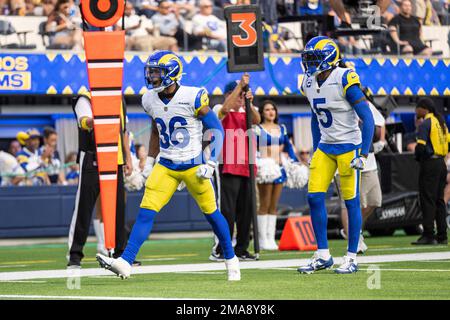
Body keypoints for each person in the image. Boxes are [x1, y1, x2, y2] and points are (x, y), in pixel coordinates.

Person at [96, 51, 241, 281]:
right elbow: (155, 130)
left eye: (157, 72)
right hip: (166, 164)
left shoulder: (193, 96)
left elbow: (216, 129)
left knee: (212, 214)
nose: (152, 76)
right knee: (145, 212)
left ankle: (231, 260)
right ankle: (126, 262)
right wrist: (151, 161)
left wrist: (211, 161)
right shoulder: (149, 99)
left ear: (172, 72)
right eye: (151, 71)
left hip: (194, 164)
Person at [297, 36, 374, 274]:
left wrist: (363, 153)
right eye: (308, 58)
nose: (310, 63)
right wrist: (314, 146)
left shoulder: (344, 78)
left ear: (330, 57)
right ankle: (322, 255)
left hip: (349, 147)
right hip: (326, 148)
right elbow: (314, 116)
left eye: (315, 58)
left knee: (351, 202)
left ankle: (351, 257)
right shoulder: (308, 82)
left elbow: (367, 117)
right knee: (314, 198)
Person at [67, 92, 133, 269]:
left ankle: (120, 255)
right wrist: (101, 118)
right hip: (92, 158)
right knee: (84, 208)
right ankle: (74, 256)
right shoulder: (85, 98)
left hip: (115, 160)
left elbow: (124, 130)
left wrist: (128, 158)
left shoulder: (119, 98)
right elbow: (84, 122)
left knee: (119, 209)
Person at [209, 74, 261, 262]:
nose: (240, 98)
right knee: (227, 211)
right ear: (229, 94)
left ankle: (241, 248)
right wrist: (240, 87)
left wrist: (250, 102)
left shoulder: (247, 109)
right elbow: (224, 109)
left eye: (241, 95)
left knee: (246, 210)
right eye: (237, 95)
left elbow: (257, 119)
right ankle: (221, 248)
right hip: (226, 164)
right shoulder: (218, 108)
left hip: (246, 165)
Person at [337, 100, 386, 254]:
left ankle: (353, 230)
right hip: (344, 156)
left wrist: (382, 140)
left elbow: (380, 121)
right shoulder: (336, 102)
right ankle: (354, 239)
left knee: (374, 200)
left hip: (367, 160)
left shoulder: (363, 103)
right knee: (349, 202)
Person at [254, 100, 300, 250]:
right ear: (262, 112)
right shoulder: (257, 129)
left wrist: (294, 162)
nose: (270, 112)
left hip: (279, 168)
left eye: (272, 109)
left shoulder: (282, 128)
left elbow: (288, 146)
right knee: (264, 204)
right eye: (267, 110)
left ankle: (271, 238)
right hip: (265, 169)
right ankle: (262, 239)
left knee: (273, 205)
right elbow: (252, 148)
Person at [412, 98, 448, 245]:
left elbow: (420, 147)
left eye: (417, 108)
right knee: (440, 200)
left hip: (430, 164)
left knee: (427, 199)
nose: (416, 111)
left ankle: (428, 234)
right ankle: (442, 235)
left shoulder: (426, 123)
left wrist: (418, 158)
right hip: (441, 163)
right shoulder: (441, 123)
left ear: (424, 109)